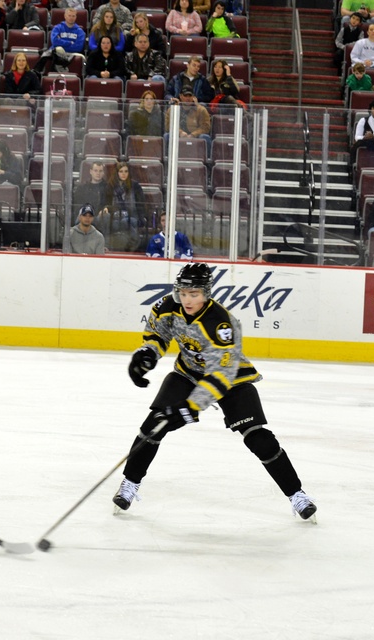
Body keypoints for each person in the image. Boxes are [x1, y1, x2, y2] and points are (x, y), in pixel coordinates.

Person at [116, 262, 317, 522]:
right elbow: (157, 334)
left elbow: (221, 374)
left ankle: (297, 495)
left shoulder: (221, 323)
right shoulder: (166, 306)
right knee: (154, 425)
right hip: (188, 373)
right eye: (184, 293)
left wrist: (191, 408)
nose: (188, 300)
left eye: (195, 294)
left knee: (259, 438)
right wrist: (146, 355)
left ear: (207, 293)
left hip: (231, 380)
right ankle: (129, 485)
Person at [105, 161, 145, 251]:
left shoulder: (135, 186)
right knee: (111, 221)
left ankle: (134, 243)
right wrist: (106, 209)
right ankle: (107, 245)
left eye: (126, 171)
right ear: (117, 173)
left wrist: (142, 218)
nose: (123, 174)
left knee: (125, 221)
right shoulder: (111, 186)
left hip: (132, 216)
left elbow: (141, 204)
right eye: (121, 171)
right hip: (115, 217)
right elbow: (107, 203)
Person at [166, 88, 212, 156]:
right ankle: (168, 160)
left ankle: (207, 163)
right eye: (185, 96)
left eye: (190, 96)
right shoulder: (172, 109)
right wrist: (180, 132)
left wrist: (193, 134)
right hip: (178, 135)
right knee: (167, 136)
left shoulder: (201, 110)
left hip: (196, 137)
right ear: (180, 96)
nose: (188, 98)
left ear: (193, 97)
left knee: (205, 137)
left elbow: (206, 127)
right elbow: (168, 125)